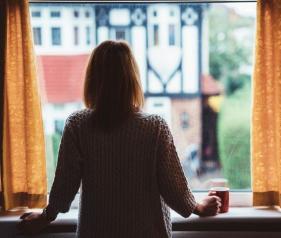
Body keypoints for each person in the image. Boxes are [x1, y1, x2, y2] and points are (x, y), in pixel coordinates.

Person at [18, 40, 221, 237]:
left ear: (93, 79)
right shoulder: (154, 127)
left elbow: (64, 186)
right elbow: (174, 189)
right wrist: (199, 207)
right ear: (132, 79)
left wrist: (45, 217)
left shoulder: (78, 125)